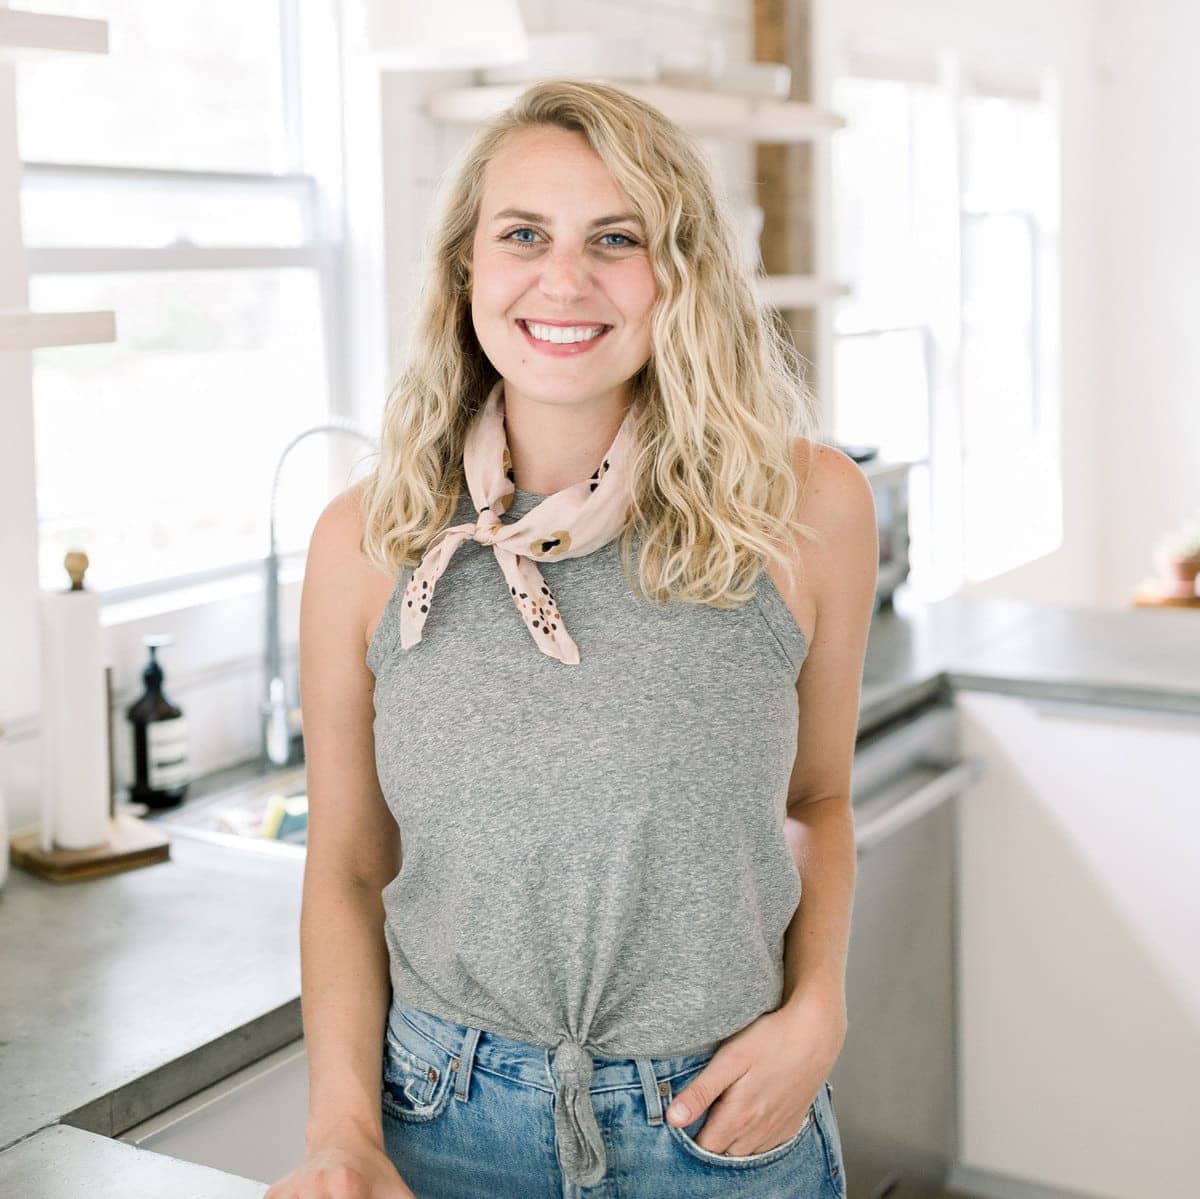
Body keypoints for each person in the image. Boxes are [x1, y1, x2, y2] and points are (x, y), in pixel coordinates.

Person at [269, 79, 876, 1199]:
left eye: (616, 237)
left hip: (722, 1120)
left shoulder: (803, 508)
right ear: (467, 270)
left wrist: (818, 1013)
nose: (564, 278)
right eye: (523, 236)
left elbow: (817, 801)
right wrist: (341, 1130)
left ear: (677, 272)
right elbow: (349, 866)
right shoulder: (368, 539)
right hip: (444, 1121)